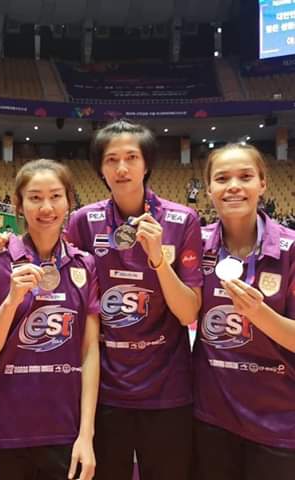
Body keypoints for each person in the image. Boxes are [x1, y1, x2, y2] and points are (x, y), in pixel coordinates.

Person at [64, 120, 202, 480]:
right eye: (111, 159)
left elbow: (188, 311)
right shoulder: (82, 222)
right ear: (100, 168)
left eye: (131, 158)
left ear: (147, 164)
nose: (122, 168)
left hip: (167, 388)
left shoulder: (183, 220)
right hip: (106, 390)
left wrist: (158, 258)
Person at [0, 159, 100, 480]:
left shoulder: (85, 265)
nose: (46, 207)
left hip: (64, 432)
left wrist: (86, 434)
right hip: (1, 432)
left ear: (69, 201)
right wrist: (12, 300)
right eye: (35, 197)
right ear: (18, 204)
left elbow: (89, 352)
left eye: (55, 196)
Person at [192, 143, 295, 480]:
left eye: (245, 177)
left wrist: (258, 313)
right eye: (222, 178)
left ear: (262, 184)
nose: (233, 186)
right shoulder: (195, 244)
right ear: (209, 189)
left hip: (278, 420)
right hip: (211, 418)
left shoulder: (291, 249)